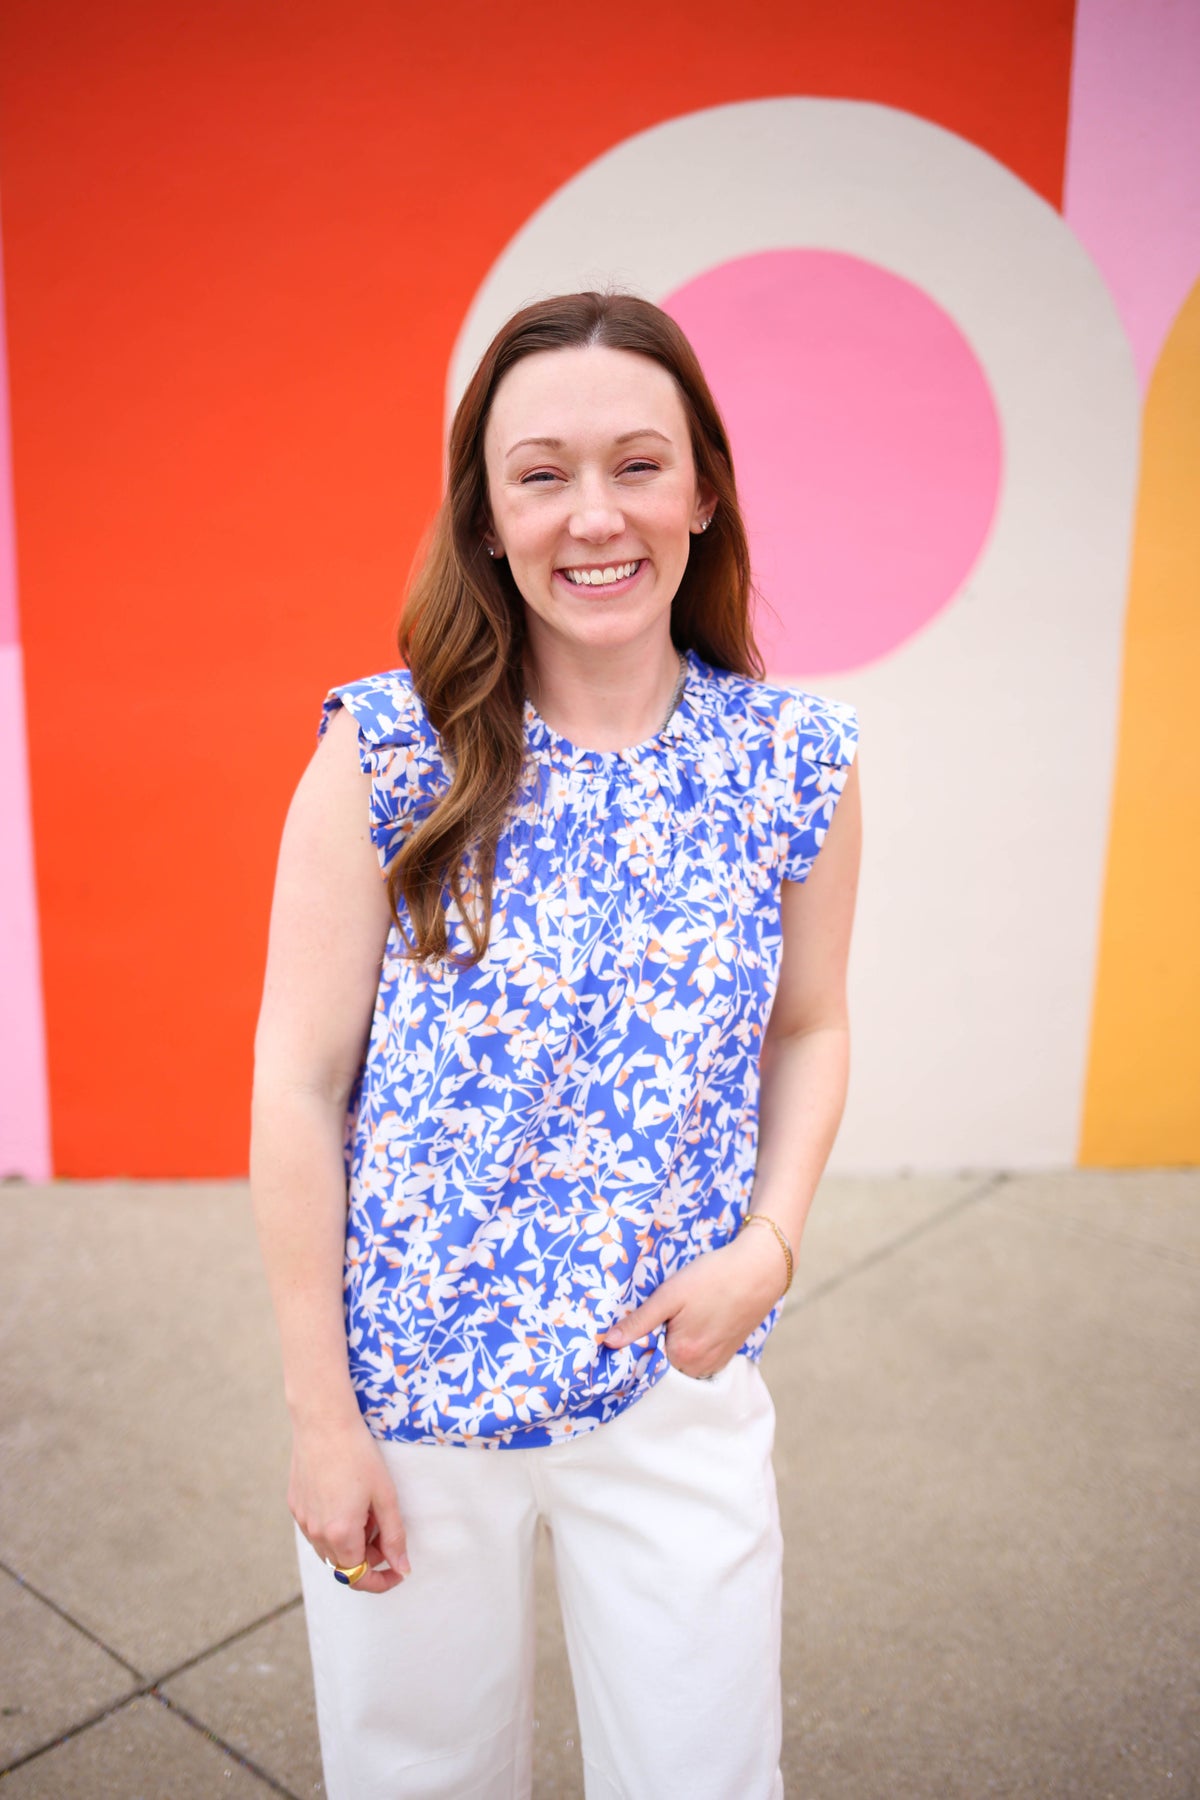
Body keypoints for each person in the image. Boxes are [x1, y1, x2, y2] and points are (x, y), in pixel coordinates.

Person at [250, 289, 861, 1800]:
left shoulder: (793, 763)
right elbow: (299, 1086)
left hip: (674, 1379)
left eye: (639, 464)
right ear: (487, 514)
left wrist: (770, 1248)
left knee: (704, 1775)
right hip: (411, 1403)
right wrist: (322, 1419)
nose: (596, 515)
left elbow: (812, 1024)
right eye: (542, 474)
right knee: (419, 1780)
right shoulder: (387, 754)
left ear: (703, 491)